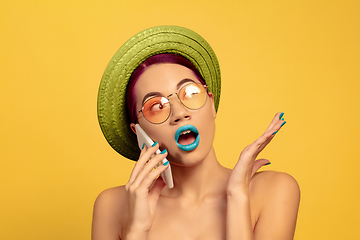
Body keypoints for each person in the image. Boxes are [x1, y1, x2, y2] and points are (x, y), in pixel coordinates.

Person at [92, 26, 300, 240]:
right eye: (156, 106)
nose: (179, 113)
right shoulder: (112, 206)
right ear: (139, 133)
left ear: (211, 103)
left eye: (190, 93)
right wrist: (137, 231)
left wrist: (237, 197)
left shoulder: (273, 190)